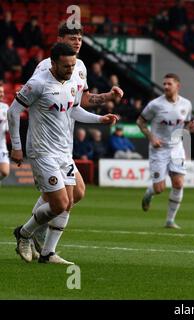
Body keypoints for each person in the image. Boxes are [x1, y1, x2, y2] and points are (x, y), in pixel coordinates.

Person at [8, 43, 119, 264]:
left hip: (63, 151)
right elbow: (14, 111)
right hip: (41, 151)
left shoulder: (74, 81)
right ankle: (24, 233)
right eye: (66, 65)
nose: (71, 69)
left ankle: (47, 253)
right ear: (53, 62)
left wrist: (100, 119)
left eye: (73, 64)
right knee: (58, 204)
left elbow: (74, 109)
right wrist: (17, 146)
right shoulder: (38, 83)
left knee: (70, 200)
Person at [137, 73, 194, 229]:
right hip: (159, 150)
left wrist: (192, 128)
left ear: (178, 86)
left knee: (178, 183)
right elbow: (140, 122)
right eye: (164, 84)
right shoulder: (155, 105)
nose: (165, 87)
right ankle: (149, 194)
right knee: (159, 189)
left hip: (176, 148)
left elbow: (188, 124)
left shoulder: (186, 104)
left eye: (169, 84)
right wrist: (151, 137)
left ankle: (170, 221)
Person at [0, 85, 10, 182]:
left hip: (1, 145)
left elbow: (7, 126)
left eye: (2, 92)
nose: (1, 94)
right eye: (0, 92)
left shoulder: (5, 107)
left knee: (5, 172)